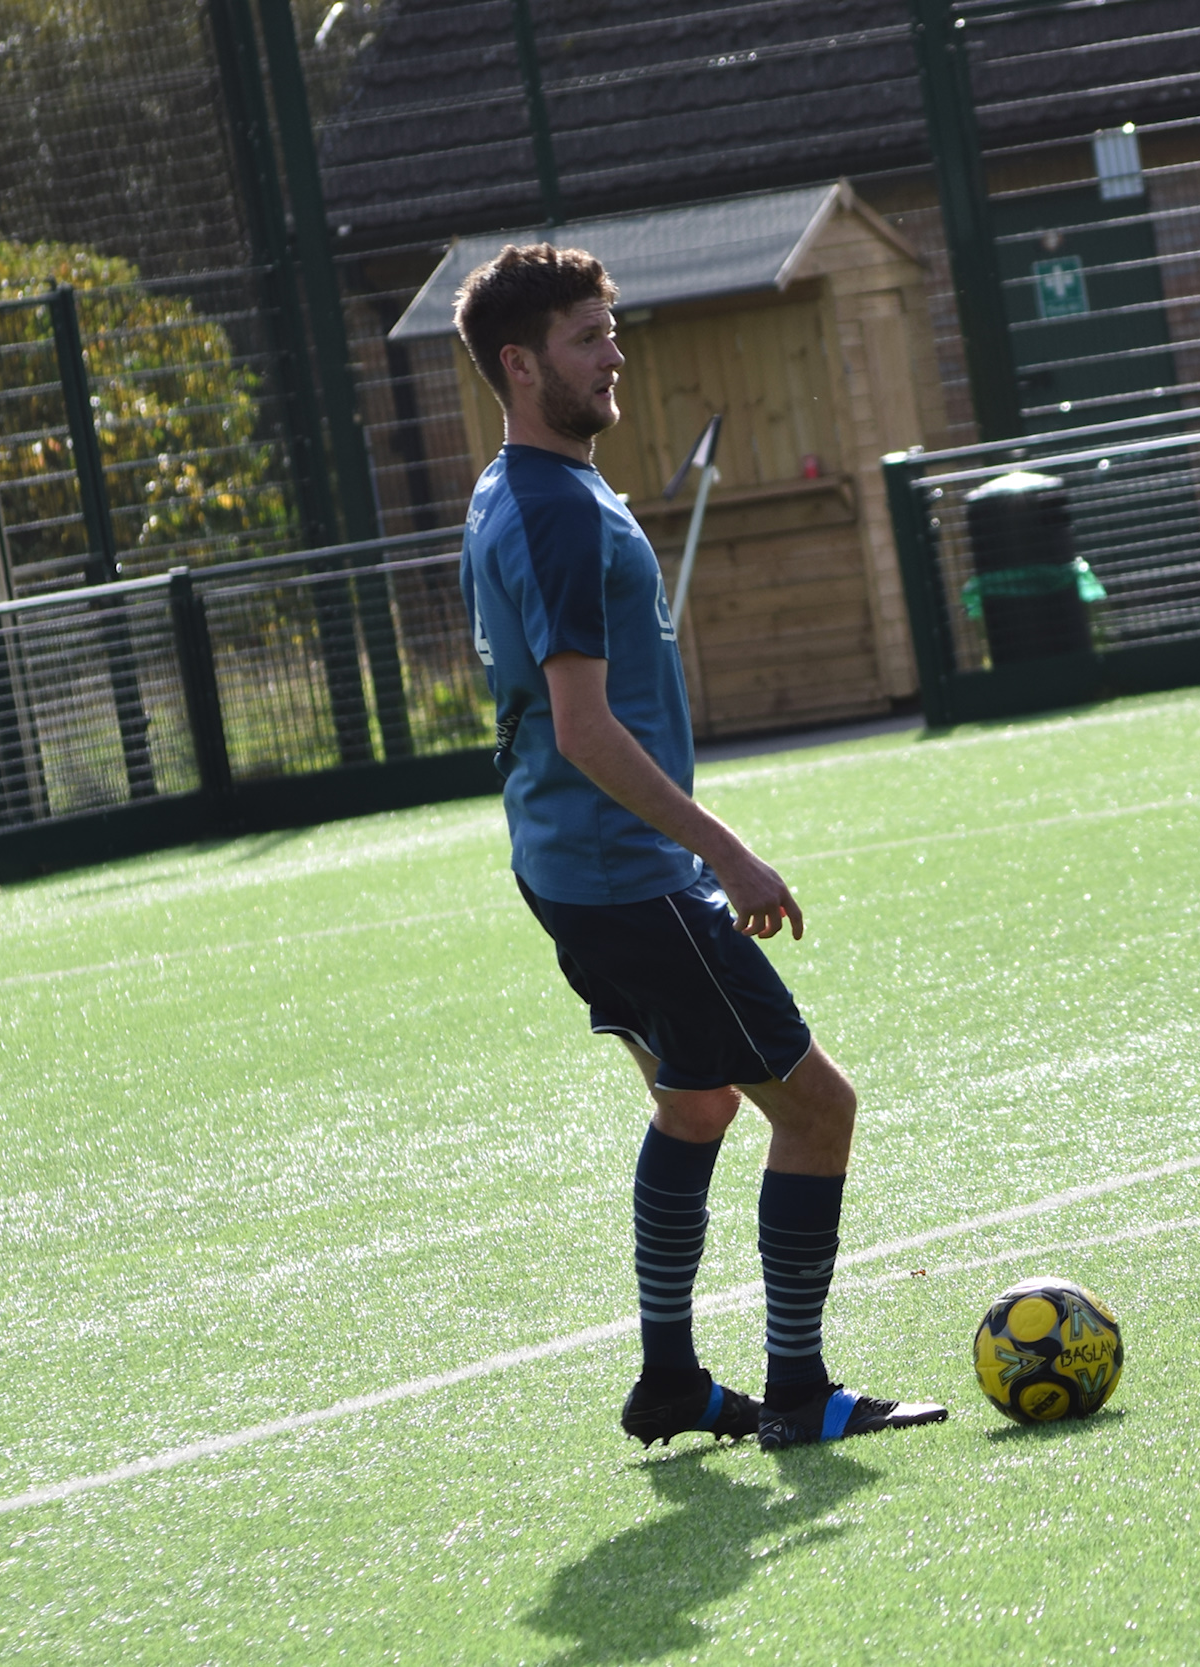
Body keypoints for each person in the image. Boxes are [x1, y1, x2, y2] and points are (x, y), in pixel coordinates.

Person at [452, 242, 945, 1449]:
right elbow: (581, 726)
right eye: (585, 335)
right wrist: (726, 850)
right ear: (520, 364)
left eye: (611, 327)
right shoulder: (556, 507)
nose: (613, 351)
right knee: (817, 1109)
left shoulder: (511, 484)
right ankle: (797, 1390)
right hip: (627, 873)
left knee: (697, 1103)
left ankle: (671, 1379)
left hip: (565, 871)